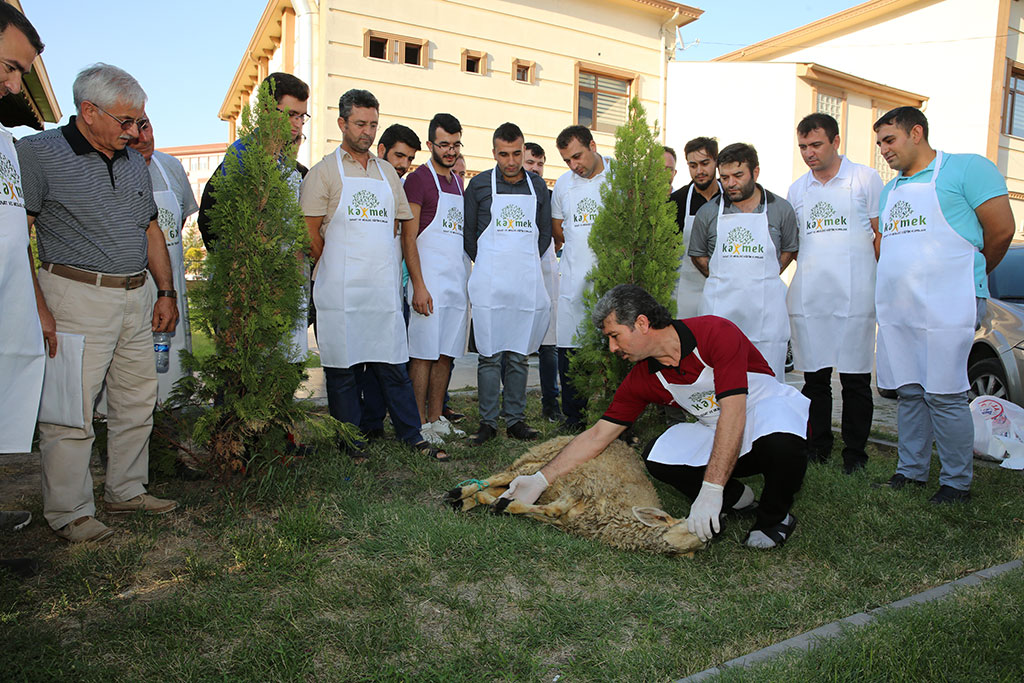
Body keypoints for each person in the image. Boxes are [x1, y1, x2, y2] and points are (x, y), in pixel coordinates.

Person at [501, 284, 810, 549]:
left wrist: (710, 489)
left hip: (765, 413)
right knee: (659, 456)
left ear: (643, 323)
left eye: (614, 336)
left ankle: (774, 517)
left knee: (782, 444)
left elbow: (734, 411)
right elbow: (598, 435)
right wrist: (540, 478)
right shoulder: (642, 377)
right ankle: (737, 497)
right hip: (716, 425)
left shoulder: (715, 332)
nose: (611, 348)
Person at [19, 63, 179, 543]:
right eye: (126, 121)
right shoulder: (37, 154)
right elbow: (15, 236)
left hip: (136, 294)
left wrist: (165, 291)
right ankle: (69, 511)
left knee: (136, 399)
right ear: (88, 111)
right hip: (74, 295)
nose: (136, 132)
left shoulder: (131, 161)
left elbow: (150, 228)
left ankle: (126, 490)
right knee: (71, 407)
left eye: (140, 121)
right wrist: (39, 308)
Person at [873, 107, 1014, 503]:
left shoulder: (967, 169)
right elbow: (887, 245)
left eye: (890, 140)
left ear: (916, 133)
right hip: (901, 306)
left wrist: (967, 275)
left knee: (945, 391)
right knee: (910, 390)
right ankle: (911, 471)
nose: (884, 149)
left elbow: (1001, 230)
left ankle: (956, 482)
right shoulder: (891, 190)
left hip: (950, 301)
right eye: (880, 142)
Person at [300, 88, 446, 462]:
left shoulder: (387, 175)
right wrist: (337, 265)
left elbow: (400, 230)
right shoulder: (323, 173)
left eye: (373, 125)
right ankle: (351, 441)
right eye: (360, 123)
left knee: (393, 366)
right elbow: (310, 234)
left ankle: (411, 435)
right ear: (342, 123)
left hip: (382, 290)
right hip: (340, 292)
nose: (367, 132)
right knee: (343, 370)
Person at [787, 113, 882, 473]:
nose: (809, 153)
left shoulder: (864, 179)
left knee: (856, 379)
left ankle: (855, 454)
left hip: (855, 296)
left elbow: (879, 235)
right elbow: (795, 244)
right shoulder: (798, 189)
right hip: (812, 297)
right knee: (815, 379)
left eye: (816, 145)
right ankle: (818, 446)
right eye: (803, 147)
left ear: (836, 141)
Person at [464, 122, 551, 444]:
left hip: (524, 281)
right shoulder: (479, 185)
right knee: (489, 355)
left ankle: (515, 419)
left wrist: (522, 260)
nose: (511, 161)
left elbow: (543, 234)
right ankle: (487, 422)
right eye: (504, 154)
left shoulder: (538, 186)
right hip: (490, 282)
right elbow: (469, 235)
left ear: (523, 149)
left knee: (518, 354)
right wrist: (490, 261)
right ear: (494, 153)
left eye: (517, 154)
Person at [689, 143, 797, 379]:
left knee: (768, 377)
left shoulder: (781, 209)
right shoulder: (708, 213)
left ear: (755, 172)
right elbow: (698, 254)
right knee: (720, 376)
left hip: (767, 313)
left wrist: (766, 273)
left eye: (738, 176)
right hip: (720, 310)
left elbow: (789, 248)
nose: (730, 183)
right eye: (724, 177)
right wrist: (725, 276)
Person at [0, 4, 44, 571]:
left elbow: (18, 230)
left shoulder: (7, 141)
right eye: (10, 67)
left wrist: (33, 299)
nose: (13, 85)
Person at [402, 113, 469, 442]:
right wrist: (418, 285)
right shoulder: (418, 180)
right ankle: (419, 424)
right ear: (430, 144)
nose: (451, 151)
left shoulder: (458, 182)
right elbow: (409, 237)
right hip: (427, 284)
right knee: (423, 354)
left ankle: (436, 416)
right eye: (444, 144)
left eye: (456, 144)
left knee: (446, 353)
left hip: (455, 283)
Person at [357, 122, 421, 440]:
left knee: (390, 360)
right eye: (399, 155)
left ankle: (377, 425)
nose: (403, 164)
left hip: (393, 289)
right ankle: (362, 425)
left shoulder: (403, 188)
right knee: (359, 362)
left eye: (408, 158)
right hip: (359, 286)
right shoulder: (361, 182)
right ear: (381, 151)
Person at [129, 115, 199, 403]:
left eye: (146, 127)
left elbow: (178, 222)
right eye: (134, 134)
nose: (144, 139)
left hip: (170, 289)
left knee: (171, 383)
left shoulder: (171, 166)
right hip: (132, 289)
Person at [552, 125, 611, 430]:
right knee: (571, 347)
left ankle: (614, 416)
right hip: (574, 278)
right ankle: (573, 416)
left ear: (593, 145)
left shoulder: (618, 178)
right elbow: (558, 230)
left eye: (577, 156)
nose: (574, 165)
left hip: (611, 278)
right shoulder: (563, 185)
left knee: (613, 350)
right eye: (567, 161)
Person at [524, 140, 562, 422]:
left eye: (540, 164)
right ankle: (511, 406)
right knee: (514, 344)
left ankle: (551, 404)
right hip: (517, 273)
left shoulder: (551, 195)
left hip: (547, 271)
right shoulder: (508, 193)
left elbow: (559, 235)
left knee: (549, 346)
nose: (535, 169)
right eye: (530, 163)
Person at [670, 137, 721, 318]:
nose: (699, 171)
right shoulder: (676, 201)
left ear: (716, 161)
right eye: (693, 165)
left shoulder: (731, 198)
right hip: (686, 293)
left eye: (704, 163)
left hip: (724, 291)